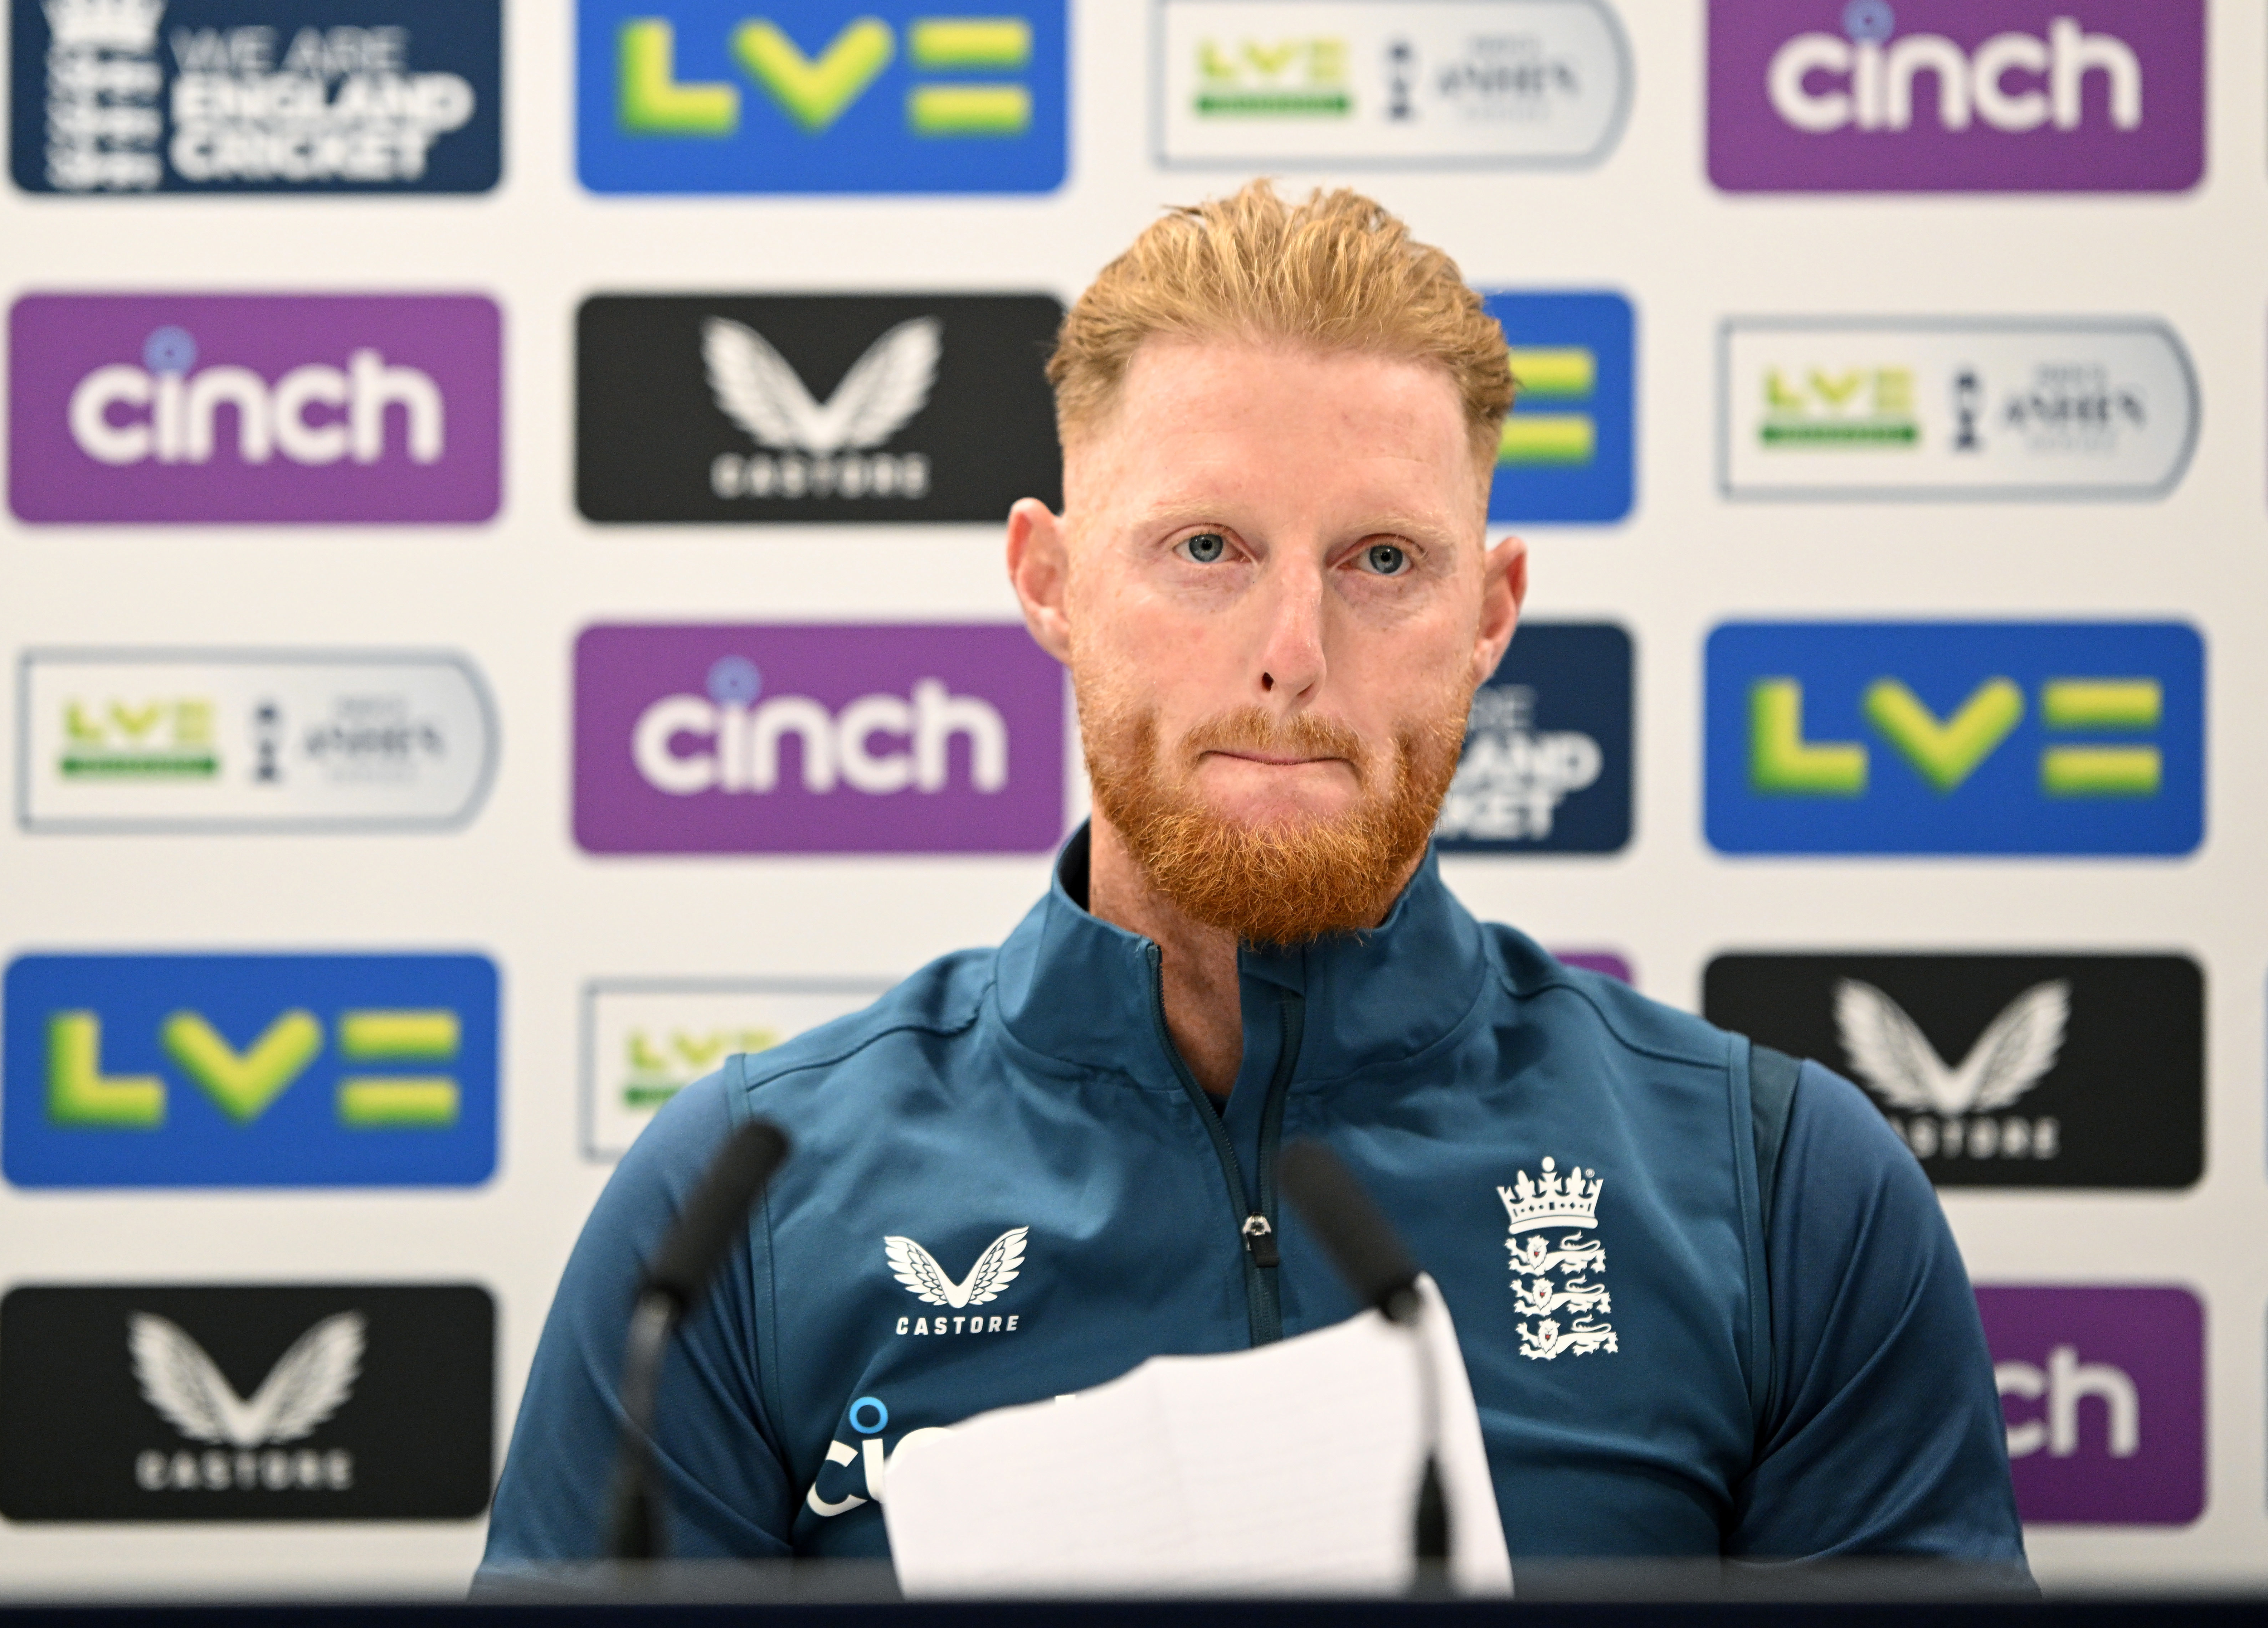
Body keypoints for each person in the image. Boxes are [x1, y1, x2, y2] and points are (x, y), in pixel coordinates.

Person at [479, 182, 2027, 1578]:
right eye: (1206, 547)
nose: (1293, 648)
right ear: (1049, 581)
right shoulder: (736, 1202)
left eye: (1380, 562)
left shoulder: (1781, 1188)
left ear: (1489, 614)